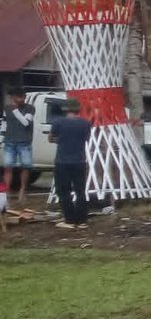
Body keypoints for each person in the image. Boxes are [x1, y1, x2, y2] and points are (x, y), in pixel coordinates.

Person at [48, 97, 91, 230]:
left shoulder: (58, 122)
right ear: (79, 109)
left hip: (62, 162)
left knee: (64, 191)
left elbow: (50, 138)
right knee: (80, 191)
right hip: (80, 161)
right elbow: (86, 138)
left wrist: (60, 140)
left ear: (65, 109)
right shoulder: (85, 123)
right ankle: (82, 221)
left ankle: (70, 220)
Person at [4, 90, 35, 205]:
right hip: (9, 141)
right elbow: (4, 123)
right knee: (8, 167)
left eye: (21, 97)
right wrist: (2, 137)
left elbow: (25, 122)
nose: (18, 99)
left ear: (24, 97)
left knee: (25, 167)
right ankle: (6, 192)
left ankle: (22, 190)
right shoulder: (7, 108)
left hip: (24, 142)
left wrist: (15, 110)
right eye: (16, 97)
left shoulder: (30, 108)